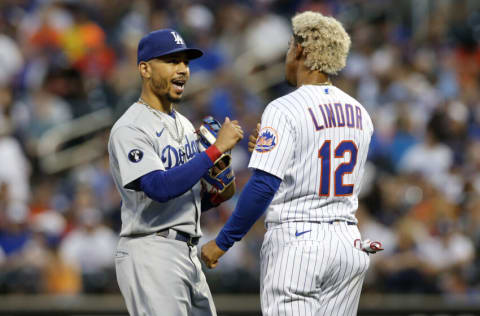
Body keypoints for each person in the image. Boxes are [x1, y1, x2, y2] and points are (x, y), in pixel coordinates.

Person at [201, 11, 374, 315]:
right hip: (349, 243)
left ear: (300, 50)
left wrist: (223, 242)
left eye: (288, 46)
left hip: (299, 244)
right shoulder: (360, 112)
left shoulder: (284, 107)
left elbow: (264, 184)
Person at [108, 28, 243, 316]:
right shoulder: (131, 127)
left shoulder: (183, 123)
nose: (182, 69)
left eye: (185, 62)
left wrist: (217, 196)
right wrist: (214, 151)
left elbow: (186, 199)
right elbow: (159, 188)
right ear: (145, 68)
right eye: (171, 61)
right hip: (151, 250)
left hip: (187, 251)